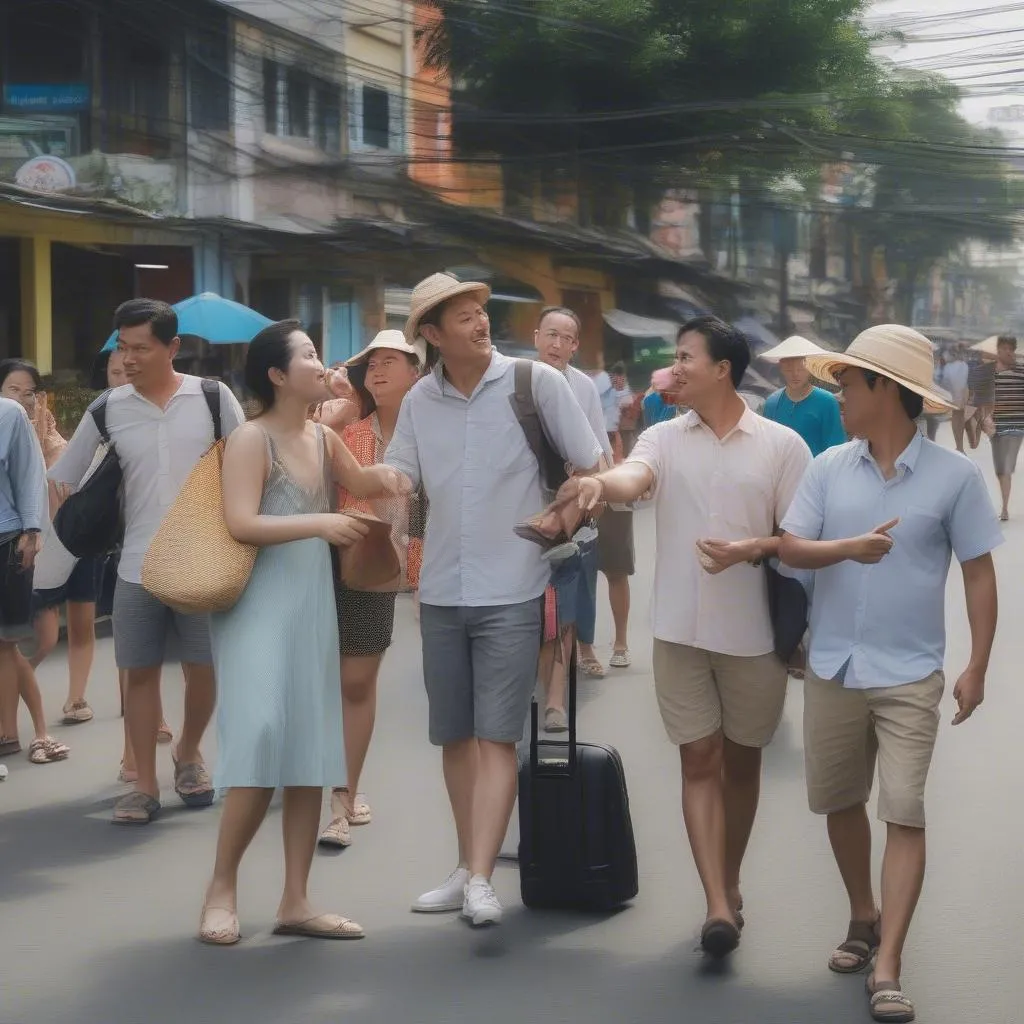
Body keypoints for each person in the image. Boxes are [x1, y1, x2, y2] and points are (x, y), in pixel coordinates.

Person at [559, 315, 811, 957]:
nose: (674, 369)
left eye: (684, 357)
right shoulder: (664, 438)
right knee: (698, 759)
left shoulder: (781, 446)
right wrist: (597, 482)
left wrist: (751, 550)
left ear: (722, 369)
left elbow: (801, 540)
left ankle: (729, 878)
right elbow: (633, 479)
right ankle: (717, 903)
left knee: (743, 761)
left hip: (754, 634)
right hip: (679, 630)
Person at [779, 324, 1000, 1024]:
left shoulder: (955, 478)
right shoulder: (827, 468)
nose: (837, 393)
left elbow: (978, 572)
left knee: (903, 808)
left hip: (911, 673)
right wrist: (846, 548)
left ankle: (891, 963)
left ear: (886, 390)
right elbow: (790, 550)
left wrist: (978, 666)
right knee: (841, 802)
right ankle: (862, 914)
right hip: (833, 664)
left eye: (847, 382)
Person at [386, 273, 603, 927]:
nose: (480, 322)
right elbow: (400, 473)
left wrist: (563, 511)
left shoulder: (538, 383)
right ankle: (465, 866)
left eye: (480, 311)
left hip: (514, 584)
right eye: (462, 316)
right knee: (453, 736)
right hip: (442, 591)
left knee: (497, 738)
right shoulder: (421, 400)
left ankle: (483, 877)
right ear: (431, 334)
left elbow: (591, 465)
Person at [199, 320, 406, 944]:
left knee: (311, 749)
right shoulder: (249, 439)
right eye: (309, 355)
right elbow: (241, 522)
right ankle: (222, 888)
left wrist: (414, 465)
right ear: (276, 375)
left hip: (312, 602)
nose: (322, 363)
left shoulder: (321, 435)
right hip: (256, 604)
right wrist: (321, 522)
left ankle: (295, 900)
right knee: (262, 733)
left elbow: (371, 482)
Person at [50, 299, 246, 824]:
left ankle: (189, 753)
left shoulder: (212, 398)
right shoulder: (107, 408)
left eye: (141, 347)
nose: (129, 358)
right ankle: (144, 784)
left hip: (205, 560)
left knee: (203, 671)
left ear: (171, 348)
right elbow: (66, 474)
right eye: (123, 347)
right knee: (138, 674)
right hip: (135, 564)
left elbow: (251, 465)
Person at [318, 329, 426, 848]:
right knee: (330, 682)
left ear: (416, 371)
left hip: (402, 574)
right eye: (371, 364)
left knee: (356, 682)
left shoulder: (436, 432)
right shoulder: (347, 431)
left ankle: (343, 797)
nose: (378, 371)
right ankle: (327, 792)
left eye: (390, 361)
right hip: (344, 564)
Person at [531, 306, 612, 718]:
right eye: (551, 335)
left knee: (563, 602)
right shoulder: (517, 380)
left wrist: (595, 497)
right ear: (536, 338)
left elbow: (599, 450)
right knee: (529, 606)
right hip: (524, 514)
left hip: (572, 512)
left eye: (566, 338)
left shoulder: (583, 388)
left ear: (576, 346)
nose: (557, 344)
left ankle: (556, 700)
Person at [0, 391, 66, 766]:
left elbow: (29, 474)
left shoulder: (8, 414)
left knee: (4, 642)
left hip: (6, 537)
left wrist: (32, 530)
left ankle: (7, 734)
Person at [760, 336, 847, 456]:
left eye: (800, 369)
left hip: (817, 471)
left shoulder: (827, 402)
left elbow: (836, 450)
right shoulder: (772, 403)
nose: (795, 374)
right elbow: (767, 448)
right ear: (781, 368)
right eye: (789, 369)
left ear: (810, 368)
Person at [989, 335, 1024, 521]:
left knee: (1006, 467)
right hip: (997, 426)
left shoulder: (1022, 370)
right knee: (1000, 469)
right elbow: (985, 398)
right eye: (1003, 348)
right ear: (998, 349)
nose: (1007, 351)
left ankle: (1005, 508)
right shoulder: (991, 371)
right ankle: (1004, 503)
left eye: (1010, 348)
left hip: (1017, 425)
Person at [942, 345, 970, 452]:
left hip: (956, 394)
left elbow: (946, 383)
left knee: (957, 417)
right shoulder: (961, 365)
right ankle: (960, 446)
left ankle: (959, 446)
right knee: (959, 417)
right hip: (958, 394)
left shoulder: (954, 366)